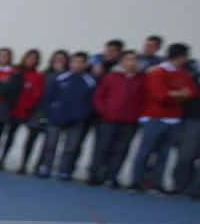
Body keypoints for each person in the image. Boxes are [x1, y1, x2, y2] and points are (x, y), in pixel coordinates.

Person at [130, 43, 199, 192]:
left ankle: (156, 183)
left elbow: (193, 93)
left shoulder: (184, 74)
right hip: (155, 117)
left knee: (164, 154)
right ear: (180, 57)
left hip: (173, 118)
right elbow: (159, 96)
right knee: (145, 152)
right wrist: (180, 94)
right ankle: (136, 181)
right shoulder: (158, 73)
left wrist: (174, 94)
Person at [38, 52, 96, 180]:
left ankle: (64, 170)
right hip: (56, 118)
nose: (76, 65)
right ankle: (46, 167)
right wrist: (51, 113)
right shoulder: (60, 78)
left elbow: (91, 103)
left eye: (80, 62)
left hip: (76, 121)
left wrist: (81, 115)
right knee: (50, 144)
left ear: (86, 64)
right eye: (74, 61)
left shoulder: (90, 82)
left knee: (71, 148)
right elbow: (48, 98)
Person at [89, 51, 144, 187]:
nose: (131, 62)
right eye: (127, 59)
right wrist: (105, 111)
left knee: (121, 150)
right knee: (102, 147)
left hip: (130, 121)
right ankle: (95, 174)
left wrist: (138, 115)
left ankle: (112, 176)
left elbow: (144, 100)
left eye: (133, 59)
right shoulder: (111, 77)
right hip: (109, 119)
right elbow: (99, 96)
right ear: (122, 62)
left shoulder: (142, 79)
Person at [4, 49, 49, 173]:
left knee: (31, 139)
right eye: (28, 58)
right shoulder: (16, 73)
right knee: (9, 136)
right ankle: (1, 159)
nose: (30, 61)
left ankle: (24, 164)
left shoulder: (39, 76)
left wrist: (29, 107)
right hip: (14, 109)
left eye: (33, 59)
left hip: (30, 112)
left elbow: (38, 94)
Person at [174, 46, 200, 198]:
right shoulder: (191, 77)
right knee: (186, 156)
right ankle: (181, 186)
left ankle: (196, 189)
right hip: (192, 120)